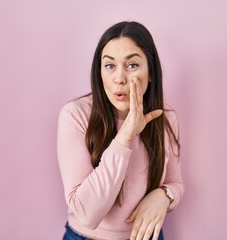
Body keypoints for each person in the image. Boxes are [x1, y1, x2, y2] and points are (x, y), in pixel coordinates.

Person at [57, 21, 184, 240]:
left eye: (132, 65)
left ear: (151, 72)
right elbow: (86, 214)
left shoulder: (166, 117)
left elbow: (175, 182)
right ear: (100, 73)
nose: (119, 79)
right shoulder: (75, 115)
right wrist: (126, 135)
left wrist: (163, 196)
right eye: (109, 66)